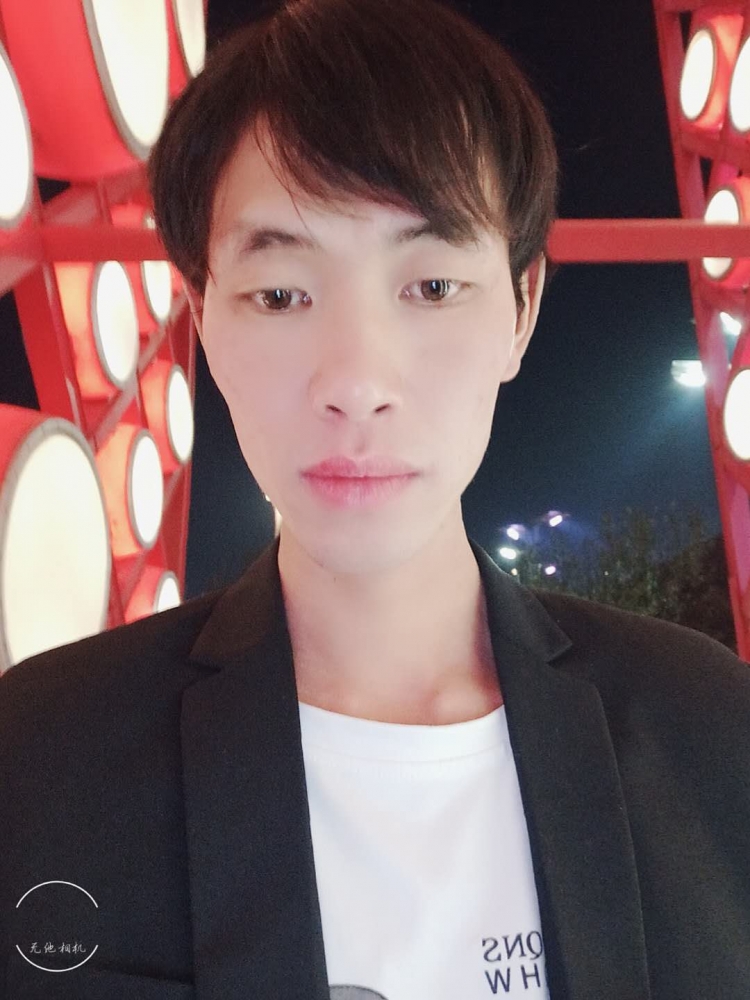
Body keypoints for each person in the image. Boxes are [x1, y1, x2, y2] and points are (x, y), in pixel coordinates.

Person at [1, 0, 749, 997]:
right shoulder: (44, 756)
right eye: (280, 294)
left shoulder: (708, 729)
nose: (356, 381)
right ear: (202, 317)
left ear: (521, 308)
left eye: (431, 287)